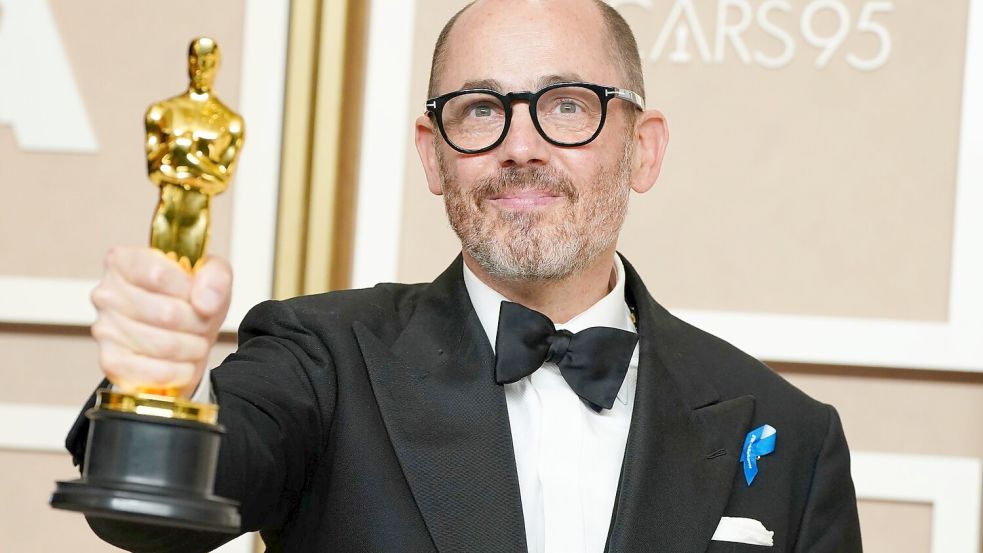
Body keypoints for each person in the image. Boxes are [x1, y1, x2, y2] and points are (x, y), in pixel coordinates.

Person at [69, 0, 863, 551]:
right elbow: (158, 524)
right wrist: (161, 396)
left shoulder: (790, 433)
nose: (520, 144)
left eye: (566, 103)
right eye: (480, 109)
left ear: (642, 148)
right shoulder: (320, 360)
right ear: (433, 154)